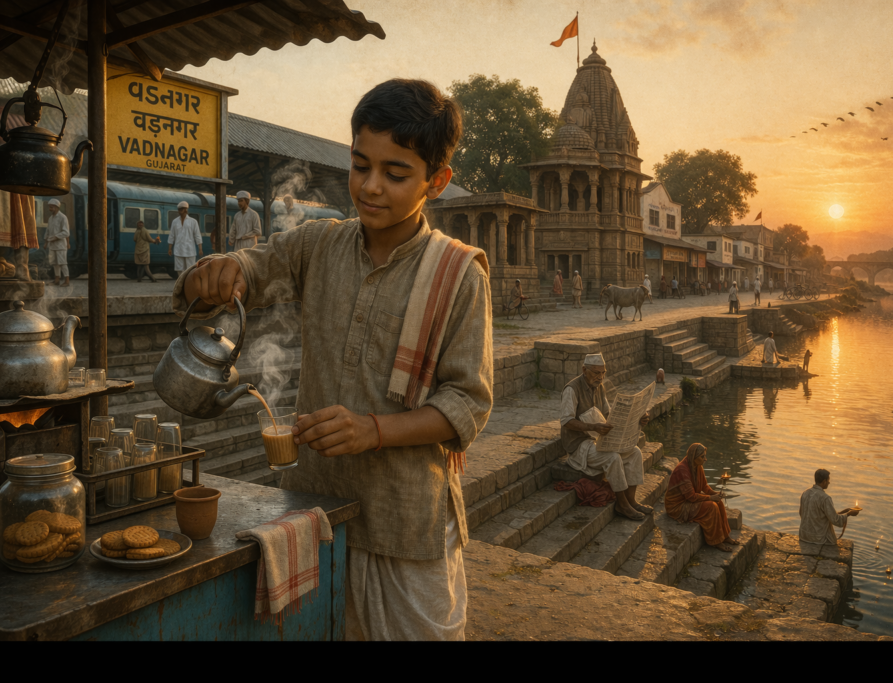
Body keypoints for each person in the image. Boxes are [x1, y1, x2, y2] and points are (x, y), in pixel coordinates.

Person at [175, 79, 490, 641]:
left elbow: (466, 405)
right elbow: (255, 264)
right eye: (359, 165)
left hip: (407, 527)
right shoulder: (318, 245)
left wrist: (373, 430)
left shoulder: (458, 273)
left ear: (436, 182)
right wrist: (222, 272)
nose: (370, 187)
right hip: (316, 513)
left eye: (395, 174)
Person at [560, 353, 651, 521]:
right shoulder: (571, 389)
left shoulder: (599, 387)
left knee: (635, 452)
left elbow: (609, 414)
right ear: (584, 370)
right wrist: (592, 427)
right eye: (596, 373)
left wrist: (637, 419)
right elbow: (566, 420)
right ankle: (621, 505)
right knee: (613, 457)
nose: (600, 377)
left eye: (603, 373)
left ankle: (631, 500)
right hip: (579, 446)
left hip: (597, 440)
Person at [664, 443, 737, 550]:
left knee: (719, 502)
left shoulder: (697, 466)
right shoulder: (682, 470)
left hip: (688, 500)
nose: (705, 459)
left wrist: (714, 494)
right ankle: (716, 541)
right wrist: (710, 498)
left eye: (705, 456)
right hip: (678, 506)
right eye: (702, 456)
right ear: (694, 457)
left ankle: (725, 536)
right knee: (712, 506)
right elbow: (691, 497)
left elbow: (705, 487)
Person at [799, 469, 860, 546]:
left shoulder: (805, 493)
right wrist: (849, 514)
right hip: (818, 539)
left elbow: (802, 513)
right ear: (824, 481)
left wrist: (846, 510)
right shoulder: (825, 498)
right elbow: (835, 520)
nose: (829, 482)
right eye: (828, 480)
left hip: (804, 535)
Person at [168, 201, 202, 277]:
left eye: (181, 209)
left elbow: (197, 235)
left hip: (189, 249)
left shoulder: (193, 222)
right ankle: (181, 284)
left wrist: (200, 248)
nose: (179, 211)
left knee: (190, 269)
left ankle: (189, 285)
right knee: (179, 269)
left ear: (186, 210)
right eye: (179, 209)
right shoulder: (175, 221)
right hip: (178, 249)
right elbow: (171, 235)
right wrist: (170, 248)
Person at [43, 199, 70, 286]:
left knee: (62, 263)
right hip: (52, 245)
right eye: (50, 207)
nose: (50, 209)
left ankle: (66, 281)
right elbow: (48, 231)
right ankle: (56, 280)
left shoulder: (63, 217)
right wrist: (46, 242)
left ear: (56, 207)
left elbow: (66, 232)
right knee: (55, 263)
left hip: (61, 245)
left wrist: (55, 237)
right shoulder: (51, 218)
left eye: (51, 207)